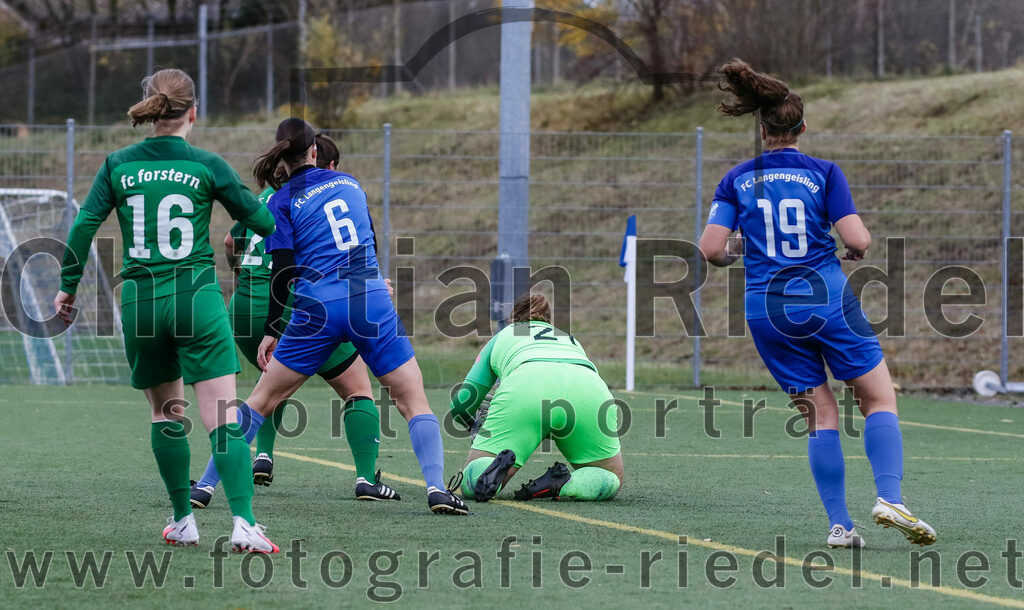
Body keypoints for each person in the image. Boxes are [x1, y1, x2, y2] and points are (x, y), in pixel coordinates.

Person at [698, 59, 935, 548]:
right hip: (826, 299)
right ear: (801, 128)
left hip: (767, 309)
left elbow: (711, 250)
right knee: (878, 399)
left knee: (820, 415)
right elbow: (858, 237)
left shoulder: (736, 179)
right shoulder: (824, 173)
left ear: (761, 129)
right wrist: (854, 247)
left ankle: (841, 526)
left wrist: (746, 247)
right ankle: (890, 497)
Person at [54, 69, 279, 553]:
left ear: (151, 109)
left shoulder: (118, 164)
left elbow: (83, 226)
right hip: (196, 300)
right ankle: (244, 523)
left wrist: (67, 289)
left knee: (166, 413)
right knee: (222, 415)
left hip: (141, 304)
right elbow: (261, 219)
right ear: (192, 112)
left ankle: (183, 520)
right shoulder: (207, 165)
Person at [223, 117, 466, 515]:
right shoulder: (351, 184)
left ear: (281, 158)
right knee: (411, 400)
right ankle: (435, 487)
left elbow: (282, 272)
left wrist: (272, 330)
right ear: (316, 152)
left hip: (314, 308)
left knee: (262, 399)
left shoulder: (279, 201)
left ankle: (207, 487)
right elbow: (364, 239)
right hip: (368, 301)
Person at [189, 133, 399, 509]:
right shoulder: (323, 196)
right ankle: (367, 478)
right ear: (322, 164)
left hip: (241, 309)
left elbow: (229, 242)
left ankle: (255, 460)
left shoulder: (264, 198)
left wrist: (243, 275)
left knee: (269, 388)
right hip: (292, 307)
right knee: (357, 390)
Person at [449, 294, 624, 502]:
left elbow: (461, 404)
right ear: (548, 322)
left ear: (513, 320)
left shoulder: (504, 334)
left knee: (473, 484)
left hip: (526, 388)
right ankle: (565, 484)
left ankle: (492, 469)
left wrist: (474, 425)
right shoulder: (570, 339)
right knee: (611, 478)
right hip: (589, 392)